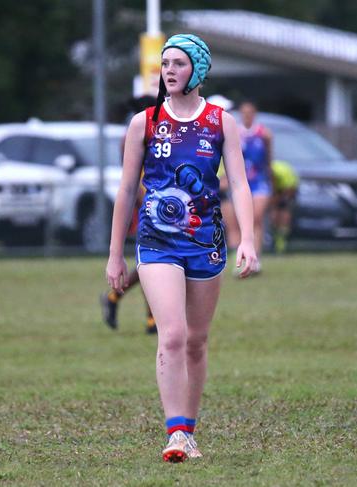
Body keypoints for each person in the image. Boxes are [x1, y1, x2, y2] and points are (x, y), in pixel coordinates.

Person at [105, 34, 258, 462]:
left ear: (199, 71)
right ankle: (174, 434)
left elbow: (241, 184)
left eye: (179, 63)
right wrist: (116, 252)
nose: (169, 70)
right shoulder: (145, 122)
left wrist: (247, 239)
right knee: (171, 335)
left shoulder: (221, 121)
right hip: (156, 242)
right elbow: (125, 191)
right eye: (165, 63)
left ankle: (189, 431)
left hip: (204, 242)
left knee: (196, 341)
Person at [101, 95, 157, 334]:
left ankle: (113, 297)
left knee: (152, 265)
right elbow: (132, 180)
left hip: (159, 205)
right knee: (151, 264)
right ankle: (151, 319)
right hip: (144, 206)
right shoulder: (131, 137)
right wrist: (146, 203)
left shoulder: (160, 133)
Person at [221, 100, 272, 272]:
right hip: (242, 181)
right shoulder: (236, 133)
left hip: (259, 181)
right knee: (237, 221)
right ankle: (241, 258)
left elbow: (268, 158)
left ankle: (255, 257)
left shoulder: (264, 134)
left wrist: (270, 177)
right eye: (244, 113)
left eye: (250, 113)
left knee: (256, 217)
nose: (247, 116)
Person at [270, 160, 299, 253]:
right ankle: (275, 238)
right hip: (278, 189)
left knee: (284, 214)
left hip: (289, 188)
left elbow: (290, 192)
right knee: (274, 215)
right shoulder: (266, 175)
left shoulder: (284, 175)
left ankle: (282, 242)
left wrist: (277, 199)